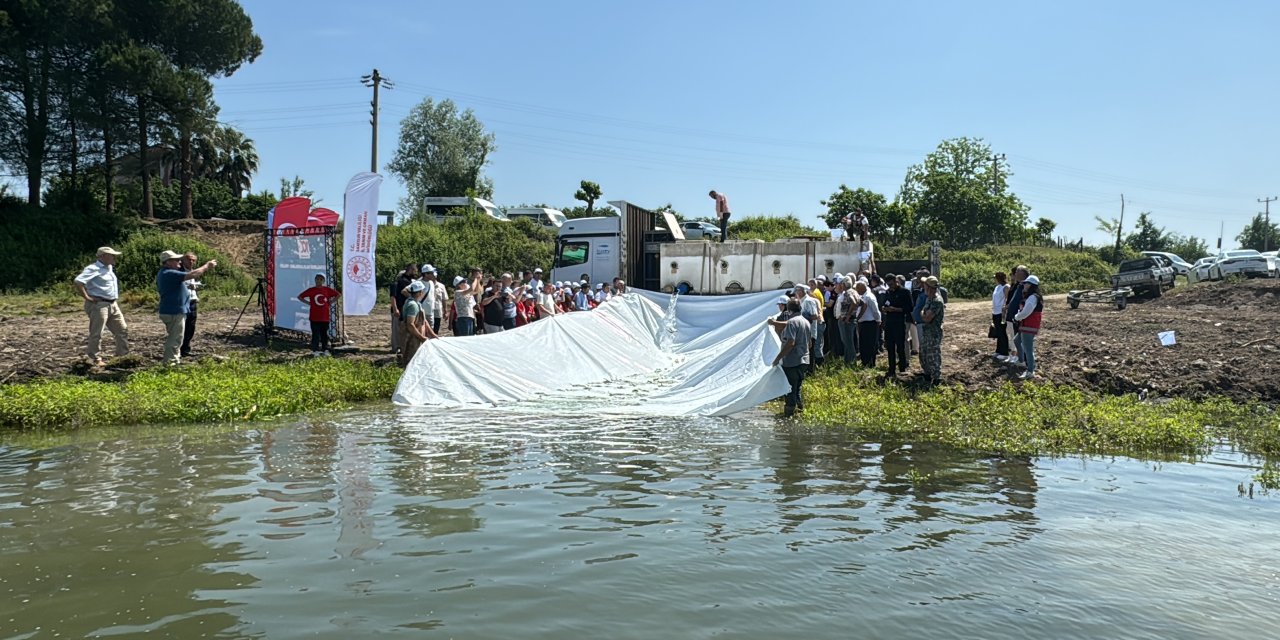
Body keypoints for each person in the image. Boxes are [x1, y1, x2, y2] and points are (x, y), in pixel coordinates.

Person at [157, 250, 216, 366]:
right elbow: (192, 274)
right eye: (176, 260)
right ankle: (170, 363)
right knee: (175, 338)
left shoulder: (167, 272)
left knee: (177, 337)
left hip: (175, 310)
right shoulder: (169, 273)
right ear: (168, 262)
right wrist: (207, 266)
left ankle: (175, 359)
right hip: (174, 311)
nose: (179, 262)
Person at [73, 246, 129, 366]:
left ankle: (122, 357)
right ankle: (95, 358)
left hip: (113, 303)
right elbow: (78, 281)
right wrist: (87, 298)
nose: (114, 257)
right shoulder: (93, 268)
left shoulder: (109, 268)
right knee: (97, 333)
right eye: (112, 255)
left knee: (122, 330)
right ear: (103, 256)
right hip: (99, 305)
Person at [771, 299, 811, 418]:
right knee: (797, 388)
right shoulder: (806, 322)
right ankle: (799, 412)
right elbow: (810, 344)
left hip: (792, 361)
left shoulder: (792, 323)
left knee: (789, 389)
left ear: (789, 310)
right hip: (804, 359)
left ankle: (788, 415)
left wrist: (778, 358)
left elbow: (790, 343)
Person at [299, 273, 340, 355]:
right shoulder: (311, 290)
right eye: (317, 279)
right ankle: (315, 350)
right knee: (315, 335)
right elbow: (300, 297)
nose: (318, 281)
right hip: (314, 316)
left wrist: (330, 302)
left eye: (320, 279)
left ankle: (325, 349)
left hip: (324, 316)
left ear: (323, 281)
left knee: (324, 334)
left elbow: (338, 295)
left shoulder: (327, 290)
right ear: (315, 280)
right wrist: (309, 303)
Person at [880, 274, 912, 377]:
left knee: (900, 346)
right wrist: (884, 308)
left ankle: (902, 367)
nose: (890, 286)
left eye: (892, 284)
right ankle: (891, 368)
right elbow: (885, 303)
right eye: (888, 284)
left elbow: (909, 307)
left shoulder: (904, 292)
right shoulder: (888, 292)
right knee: (890, 346)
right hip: (889, 322)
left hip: (899, 321)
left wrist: (896, 309)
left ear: (895, 281)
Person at [1012, 275, 1043, 380]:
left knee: (1028, 349)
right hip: (1025, 324)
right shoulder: (1029, 296)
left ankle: (1030, 370)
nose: (1024, 285)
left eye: (1026, 283)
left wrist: (1017, 317)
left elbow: (1026, 311)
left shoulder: (1033, 297)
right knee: (1016, 340)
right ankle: (1021, 361)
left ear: (1031, 285)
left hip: (1029, 325)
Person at [399, 280, 436, 364]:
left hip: (417, 335)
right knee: (411, 359)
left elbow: (424, 321)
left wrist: (432, 334)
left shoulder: (417, 303)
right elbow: (410, 324)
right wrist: (421, 337)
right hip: (412, 337)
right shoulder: (412, 305)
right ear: (419, 292)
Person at [919, 276, 946, 385]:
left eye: (925, 285)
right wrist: (923, 313)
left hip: (933, 333)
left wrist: (922, 314)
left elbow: (927, 318)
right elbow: (924, 313)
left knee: (933, 355)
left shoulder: (937, 301)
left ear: (929, 287)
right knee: (924, 354)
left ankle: (936, 378)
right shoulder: (929, 298)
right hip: (927, 331)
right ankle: (927, 375)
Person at [1001, 265, 1029, 364]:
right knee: (1014, 337)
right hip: (1013, 316)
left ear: (1022, 274)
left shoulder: (1025, 286)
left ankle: (1023, 359)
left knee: (1020, 339)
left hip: (1019, 317)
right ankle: (1019, 357)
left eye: (1017, 272)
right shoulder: (1019, 285)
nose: (1015, 274)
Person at [389, 263, 418, 353]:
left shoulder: (409, 282)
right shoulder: (396, 283)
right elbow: (393, 297)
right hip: (398, 308)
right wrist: (395, 309)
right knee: (396, 328)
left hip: (405, 308)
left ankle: (402, 346)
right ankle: (395, 347)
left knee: (402, 328)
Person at [179, 252, 204, 358]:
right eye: (189, 259)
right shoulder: (179, 271)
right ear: (183, 260)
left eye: (193, 260)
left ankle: (186, 348)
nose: (191, 262)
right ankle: (179, 349)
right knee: (181, 326)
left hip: (192, 301)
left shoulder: (192, 271)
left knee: (191, 326)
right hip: (183, 302)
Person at [853, 280, 881, 368]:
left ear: (862, 288)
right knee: (863, 343)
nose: (856, 290)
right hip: (863, 323)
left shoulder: (869, 297)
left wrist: (878, 319)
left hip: (870, 323)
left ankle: (870, 363)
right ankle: (865, 361)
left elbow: (875, 309)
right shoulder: (863, 296)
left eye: (857, 288)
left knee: (870, 343)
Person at [834, 280, 858, 365]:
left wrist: (848, 316)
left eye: (842, 284)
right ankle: (848, 360)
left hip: (846, 321)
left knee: (848, 342)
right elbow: (860, 302)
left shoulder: (848, 293)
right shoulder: (853, 291)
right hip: (849, 320)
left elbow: (854, 303)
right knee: (847, 341)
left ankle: (851, 361)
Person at [420, 264, 446, 336]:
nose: (433, 275)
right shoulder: (419, 283)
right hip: (422, 311)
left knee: (430, 331)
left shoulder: (431, 283)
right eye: (431, 273)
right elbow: (405, 291)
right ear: (426, 274)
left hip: (431, 311)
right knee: (422, 331)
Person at [990, 271, 1010, 360]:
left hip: (1001, 312)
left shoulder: (1006, 287)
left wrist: (1004, 310)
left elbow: (1006, 299)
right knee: (998, 331)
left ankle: (1004, 352)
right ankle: (998, 350)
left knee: (1002, 332)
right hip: (995, 311)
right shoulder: (997, 287)